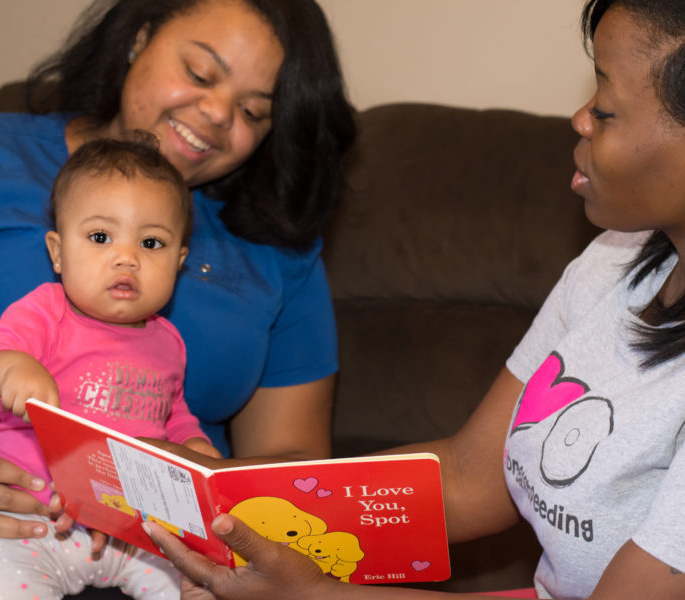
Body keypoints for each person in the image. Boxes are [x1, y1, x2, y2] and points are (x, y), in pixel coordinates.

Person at [0, 0, 355, 597]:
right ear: (140, 38)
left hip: (136, 535)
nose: (216, 113)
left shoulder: (278, 249)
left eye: (251, 111)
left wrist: (194, 501)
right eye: (200, 73)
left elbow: (290, 459)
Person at [143, 1, 685, 599]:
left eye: (606, 108)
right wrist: (215, 494)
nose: (580, 118)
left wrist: (313, 594)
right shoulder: (617, 259)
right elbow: (466, 479)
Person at [0, 135, 221, 598]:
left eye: (151, 242)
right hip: (29, 518)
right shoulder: (46, 313)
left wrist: (196, 449)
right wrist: (10, 369)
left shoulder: (168, 341)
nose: (126, 257)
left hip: (137, 530)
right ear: (57, 252)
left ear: (178, 262)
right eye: (100, 237)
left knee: (208, 578)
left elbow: (174, 416)